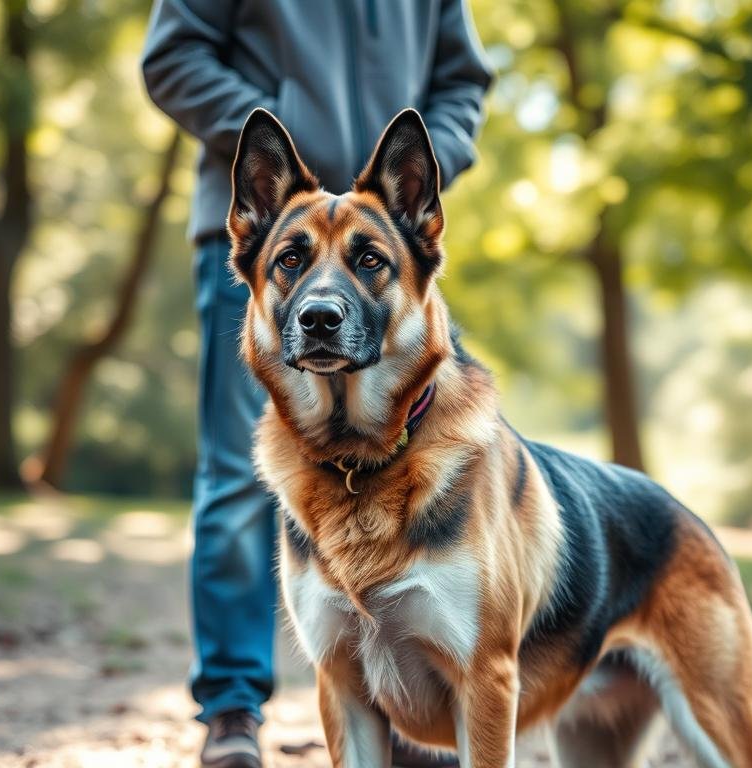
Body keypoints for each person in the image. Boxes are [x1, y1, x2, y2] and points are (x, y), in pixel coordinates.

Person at [140, 2, 492, 766]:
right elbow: (171, 58)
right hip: (274, 234)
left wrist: (424, 167)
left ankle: (410, 706)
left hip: (388, 244)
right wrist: (280, 147)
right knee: (241, 471)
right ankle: (233, 705)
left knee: (425, 455)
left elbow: (462, 79)